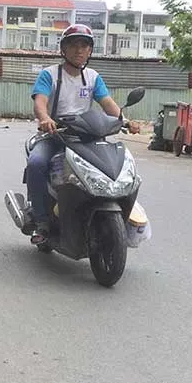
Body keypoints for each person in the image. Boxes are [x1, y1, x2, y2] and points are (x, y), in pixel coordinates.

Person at [26, 24, 124, 245]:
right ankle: (41, 221)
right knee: (36, 163)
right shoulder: (49, 75)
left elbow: (108, 104)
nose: (79, 50)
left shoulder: (93, 77)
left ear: (90, 50)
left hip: (86, 138)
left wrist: (124, 120)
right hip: (56, 135)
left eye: (84, 45)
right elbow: (40, 102)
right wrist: (45, 118)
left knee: (112, 166)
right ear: (64, 49)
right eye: (73, 45)